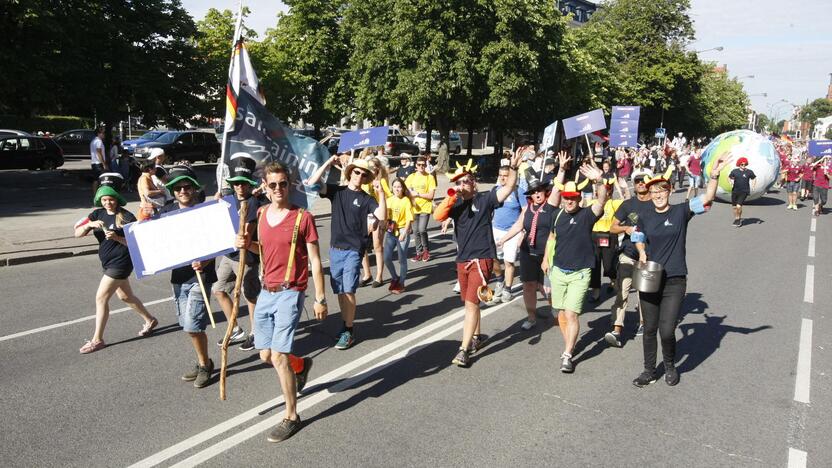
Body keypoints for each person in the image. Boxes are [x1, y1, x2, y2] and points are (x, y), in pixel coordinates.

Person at [235, 162, 327, 442]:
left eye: (283, 184)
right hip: (266, 292)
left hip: (291, 291)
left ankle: (291, 416)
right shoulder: (261, 214)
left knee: (277, 356)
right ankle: (300, 366)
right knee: (265, 355)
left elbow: (314, 260)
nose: (278, 189)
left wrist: (320, 298)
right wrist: (245, 244)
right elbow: (264, 250)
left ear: (290, 185)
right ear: (264, 185)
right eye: (272, 184)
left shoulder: (303, 217)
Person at [632, 156, 729, 387]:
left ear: (670, 190)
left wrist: (713, 176)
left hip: (674, 280)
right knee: (649, 329)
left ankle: (669, 366)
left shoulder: (681, 212)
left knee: (666, 330)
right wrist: (642, 251)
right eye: (653, 191)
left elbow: (707, 198)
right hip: (650, 278)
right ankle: (648, 370)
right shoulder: (644, 215)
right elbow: (637, 237)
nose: (657, 194)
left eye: (662, 190)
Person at [434, 152, 522, 367]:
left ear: (474, 183)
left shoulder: (485, 199)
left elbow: (509, 187)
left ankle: (464, 350)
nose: (463, 185)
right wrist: (452, 195)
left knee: (471, 305)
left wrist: (513, 167)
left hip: (481, 259)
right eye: (459, 182)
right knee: (470, 302)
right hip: (462, 260)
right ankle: (476, 336)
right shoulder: (455, 205)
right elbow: (437, 216)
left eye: (467, 181)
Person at [307, 156, 386, 350]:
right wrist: (327, 163)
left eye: (363, 174)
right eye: (356, 172)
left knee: (349, 290)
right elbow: (312, 183)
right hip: (335, 250)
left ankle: (349, 330)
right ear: (350, 173)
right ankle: (345, 324)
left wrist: (381, 193)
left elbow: (382, 217)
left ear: (366, 177)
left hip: (353, 250)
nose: (359, 176)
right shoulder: (337, 191)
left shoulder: (367, 199)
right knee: (341, 292)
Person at [75, 173, 158, 354]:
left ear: (117, 199)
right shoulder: (97, 214)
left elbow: (137, 244)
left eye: (111, 199)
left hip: (121, 263)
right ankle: (150, 319)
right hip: (107, 262)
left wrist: (118, 237)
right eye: (104, 199)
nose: (107, 203)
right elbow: (77, 233)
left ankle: (97, 339)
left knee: (101, 298)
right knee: (125, 297)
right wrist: (89, 226)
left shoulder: (127, 217)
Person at [155, 165, 218, 388]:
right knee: (186, 325)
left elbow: (219, 244)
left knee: (193, 325)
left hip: (201, 276)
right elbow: (156, 242)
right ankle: (205, 361)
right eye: (178, 188)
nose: (183, 191)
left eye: (187, 186)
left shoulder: (205, 212)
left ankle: (204, 366)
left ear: (194, 188)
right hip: (178, 277)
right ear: (172, 191)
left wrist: (205, 261)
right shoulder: (166, 212)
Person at [542, 162, 607, 373]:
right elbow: (552, 238)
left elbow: (601, 200)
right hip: (559, 270)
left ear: (579, 198)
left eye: (573, 197)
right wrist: (545, 259)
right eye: (566, 197)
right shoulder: (557, 215)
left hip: (580, 273)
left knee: (571, 314)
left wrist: (599, 180)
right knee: (560, 312)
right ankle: (570, 340)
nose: (569, 200)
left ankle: (568, 353)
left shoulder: (587, 215)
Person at [496, 154, 568, 330]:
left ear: (544, 192)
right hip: (528, 252)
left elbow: (558, 188)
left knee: (548, 288)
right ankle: (531, 317)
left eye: (539, 191)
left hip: (547, 253)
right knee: (528, 285)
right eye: (533, 192)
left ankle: (555, 309)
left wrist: (562, 169)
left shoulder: (551, 204)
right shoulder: (528, 209)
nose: (536, 194)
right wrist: (503, 240)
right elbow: (518, 225)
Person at [212, 155, 263, 350]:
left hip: (246, 256)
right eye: (236, 183)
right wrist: (215, 206)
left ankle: (255, 331)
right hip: (228, 254)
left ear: (249, 184)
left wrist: (240, 234)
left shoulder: (253, 203)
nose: (240, 187)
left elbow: (246, 235)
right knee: (218, 289)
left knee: (250, 295)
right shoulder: (226, 200)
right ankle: (235, 328)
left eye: (243, 183)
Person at [605, 170, 653, 347]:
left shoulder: (656, 203)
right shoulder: (627, 204)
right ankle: (616, 330)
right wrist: (625, 228)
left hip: (649, 256)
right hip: (627, 254)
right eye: (638, 181)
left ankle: (642, 323)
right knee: (622, 292)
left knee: (644, 293)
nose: (641, 183)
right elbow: (612, 227)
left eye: (644, 181)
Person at [486, 164, 526, 306]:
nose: (503, 178)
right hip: (495, 229)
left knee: (509, 262)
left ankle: (507, 289)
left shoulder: (519, 192)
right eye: (501, 175)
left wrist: (522, 231)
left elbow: (525, 210)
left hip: (512, 231)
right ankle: (499, 280)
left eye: (506, 175)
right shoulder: (495, 190)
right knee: (493, 259)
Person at [589, 178, 623, 302]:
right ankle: (596, 292)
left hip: (609, 236)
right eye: (600, 190)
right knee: (595, 265)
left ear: (610, 192)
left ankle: (614, 281)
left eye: (607, 190)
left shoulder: (613, 203)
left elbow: (627, 204)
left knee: (609, 265)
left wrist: (621, 188)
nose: (604, 192)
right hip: (594, 236)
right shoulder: (593, 203)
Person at [360, 158, 391, 287]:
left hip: (378, 216)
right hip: (363, 216)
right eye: (369, 167)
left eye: (374, 167)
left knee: (377, 246)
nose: (372, 169)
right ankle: (367, 274)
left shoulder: (382, 181)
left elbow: (389, 197)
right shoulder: (364, 181)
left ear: (378, 168)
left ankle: (379, 276)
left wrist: (385, 219)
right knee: (361, 246)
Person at [384, 178, 414, 293]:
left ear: (403, 188)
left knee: (402, 259)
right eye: (395, 186)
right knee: (386, 258)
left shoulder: (406, 200)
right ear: (392, 188)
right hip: (391, 231)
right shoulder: (389, 200)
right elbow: (386, 216)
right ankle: (395, 277)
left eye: (399, 187)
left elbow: (409, 219)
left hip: (402, 230)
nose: (397, 189)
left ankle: (401, 282)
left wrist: (405, 232)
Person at [405, 156, 437, 262]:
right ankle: (419, 253)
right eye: (419, 165)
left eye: (423, 165)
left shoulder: (430, 178)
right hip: (414, 207)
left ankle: (426, 251)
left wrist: (418, 194)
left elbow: (431, 195)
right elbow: (406, 191)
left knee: (422, 229)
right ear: (416, 166)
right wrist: (410, 193)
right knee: (416, 231)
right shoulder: (411, 177)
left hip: (425, 207)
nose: (421, 167)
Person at [136, 151, 168, 221]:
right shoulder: (144, 178)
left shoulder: (147, 177)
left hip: (150, 209)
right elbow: (147, 193)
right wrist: (160, 191)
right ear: (150, 169)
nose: (156, 169)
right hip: (147, 211)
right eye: (154, 168)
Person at [728, 157, 756, 227]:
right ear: (739, 164)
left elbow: (754, 178)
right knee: (734, 207)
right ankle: (737, 219)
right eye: (742, 164)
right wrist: (730, 183)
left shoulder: (749, 172)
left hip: (744, 191)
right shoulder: (734, 171)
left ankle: (739, 219)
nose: (743, 166)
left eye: (745, 164)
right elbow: (729, 177)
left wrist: (753, 185)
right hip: (735, 191)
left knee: (739, 206)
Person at [90, 128, 108, 192]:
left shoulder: (93, 141)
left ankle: (95, 194)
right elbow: (99, 153)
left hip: (94, 163)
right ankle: (100, 193)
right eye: (103, 133)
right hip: (98, 163)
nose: (104, 134)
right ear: (98, 134)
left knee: (96, 180)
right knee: (102, 179)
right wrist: (104, 164)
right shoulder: (99, 141)